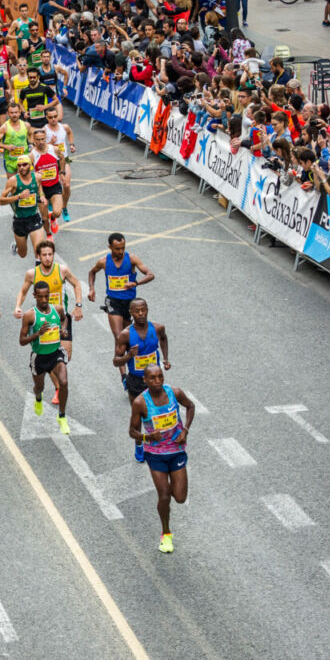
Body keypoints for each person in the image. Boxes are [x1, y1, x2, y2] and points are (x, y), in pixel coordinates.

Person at [127, 366, 194, 554]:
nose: (157, 381)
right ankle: (166, 533)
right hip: (155, 454)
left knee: (180, 498)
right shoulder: (141, 403)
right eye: (153, 378)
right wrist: (148, 438)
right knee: (164, 495)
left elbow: (190, 407)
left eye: (160, 377)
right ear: (145, 381)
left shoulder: (175, 393)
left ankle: (170, 489)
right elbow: (132, 431)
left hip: (176, 450)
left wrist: (185, 430)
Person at [87, 233, 155, 388]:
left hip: (130, 305)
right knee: (120, 338)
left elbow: (150, 274)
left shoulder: (131, 259)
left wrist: (136, 283)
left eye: (123, 248)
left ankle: (132, 368)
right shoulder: (103, 262)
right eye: (117, 249)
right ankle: (124, 376)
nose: (121, 251)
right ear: (110, 247)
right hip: (113, 302)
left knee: (129, 338)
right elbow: (92, 272)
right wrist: (91, 289)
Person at [113, 298, 171, 462]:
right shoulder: (125, 335)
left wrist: (165, 359)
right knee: (138, 416)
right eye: (137, 311)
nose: (140, 313)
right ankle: (139, 444)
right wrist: (129, 356)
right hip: (136, 380)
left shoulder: (158, 328)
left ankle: (161, 444)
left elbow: (164, 339)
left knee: (158, 413)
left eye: (143, 310)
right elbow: (116, 361)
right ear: (131, 313)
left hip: (155, 380)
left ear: (147, 310)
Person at [19, 281, 70, 435]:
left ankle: (62, 417)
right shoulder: (30, 315)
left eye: (46, 296)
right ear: (34, 296)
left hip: (55, 354)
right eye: (40, 297)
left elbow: (64, 318)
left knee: (64, 382)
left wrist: (63, 329)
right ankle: (38, 398)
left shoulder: (57, 309)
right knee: (39, 387)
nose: (43, 300)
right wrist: (37, 334)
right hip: (39, 357)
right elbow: (21, 341)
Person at [0, 154, 47, 258]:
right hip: (19, 220)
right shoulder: (13, 181)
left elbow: (39, 187)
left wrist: (42, 195)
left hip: (34, 217)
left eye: (24, 165)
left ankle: (38, 273)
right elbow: (1, 201)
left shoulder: (37, 177)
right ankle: (16, 246)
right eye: (19, 165)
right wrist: (19, 196)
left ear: (30, 165)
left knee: (39, 251)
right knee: (22, 254)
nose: (21, 167)